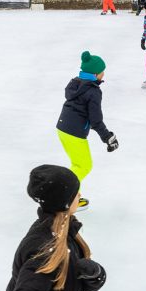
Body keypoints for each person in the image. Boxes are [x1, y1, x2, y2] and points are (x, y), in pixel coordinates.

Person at [54, 51, 118, 208]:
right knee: (84, 165)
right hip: (74, 132)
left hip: (62, 128)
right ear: (96, 74)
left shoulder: (75, 83)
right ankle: (65, 197)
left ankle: (73, 196)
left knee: (77, 164)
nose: (104, 74)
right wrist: (108, 137)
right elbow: (95, 120)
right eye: (102, 71)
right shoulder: (93, 91)